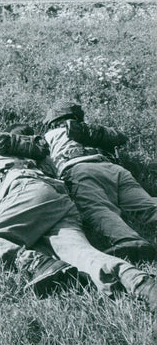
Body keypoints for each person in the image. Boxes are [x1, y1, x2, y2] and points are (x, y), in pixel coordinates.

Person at [0, 126, 157, 307]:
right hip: (60, 197)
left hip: (26, 189)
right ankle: (142, 284)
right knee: (83, 254)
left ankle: (38, 263)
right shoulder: (43, 155)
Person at [43, 102, 157, 262]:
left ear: (51, 122)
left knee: (96, 208)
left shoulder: (50, 136)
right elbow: (120, 138)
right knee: (146, 206)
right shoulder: (94, 131)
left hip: (80, 169)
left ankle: (128, 240)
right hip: (115, 170)